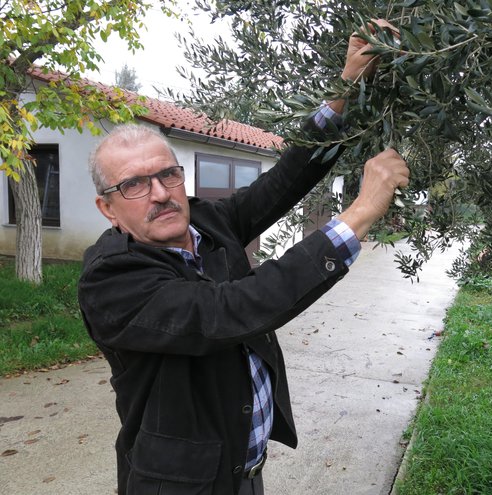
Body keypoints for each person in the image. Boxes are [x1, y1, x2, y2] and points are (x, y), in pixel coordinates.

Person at [78, 20, 408, 495]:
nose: (159, 194)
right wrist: (358, 215)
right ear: (107, 208)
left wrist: (346, 90)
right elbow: (231, 310)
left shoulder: (208, 223)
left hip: (242, 471)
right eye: (132, 184)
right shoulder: (110, 280)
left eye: (168, 175)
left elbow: (283, 182)